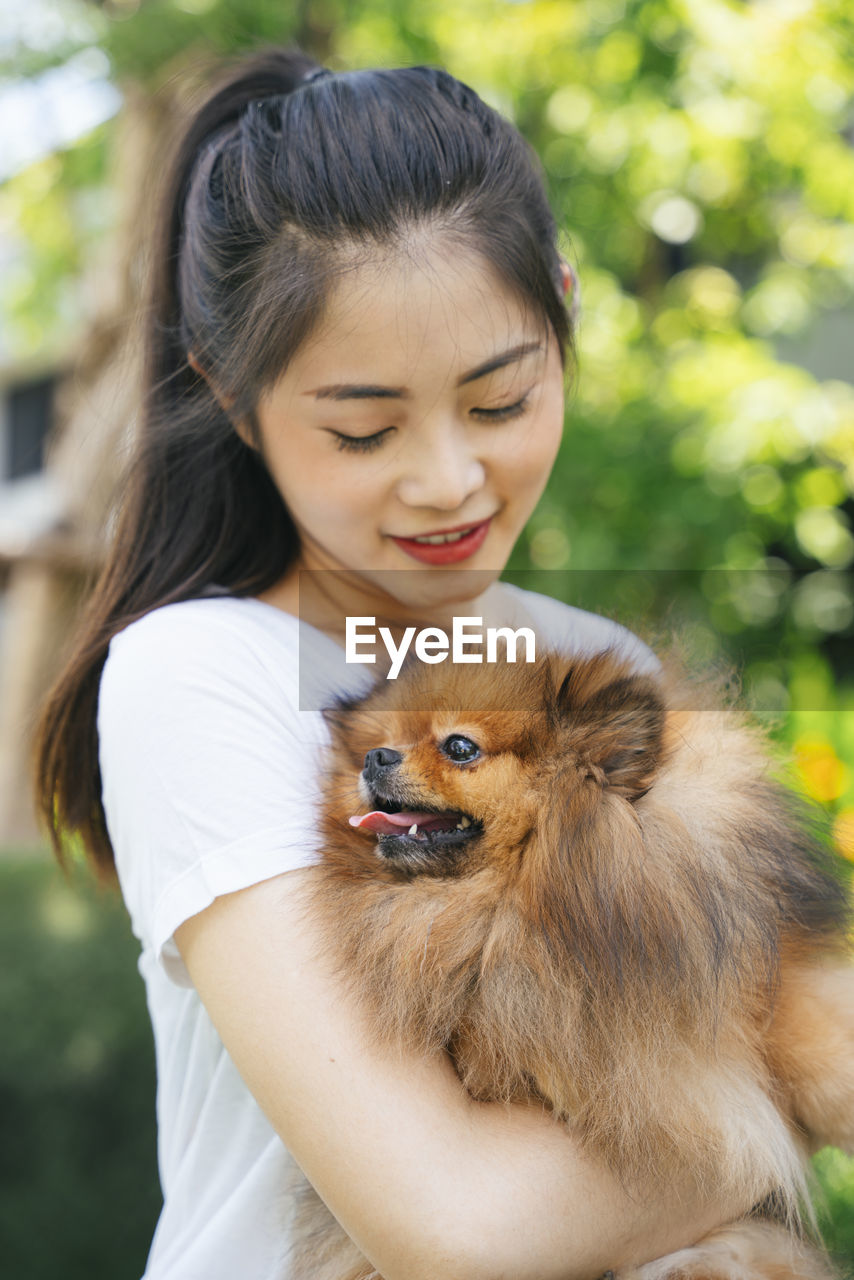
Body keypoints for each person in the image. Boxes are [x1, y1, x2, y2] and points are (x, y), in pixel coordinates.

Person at [35, 47, 755, 1280]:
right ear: (231, 391)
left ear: (564, 313)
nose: (448, 480)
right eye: (363, 428)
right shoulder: (199, 673)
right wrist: (760, 1121)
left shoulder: (599, 667)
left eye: (497, 401)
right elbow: (453, 1226)